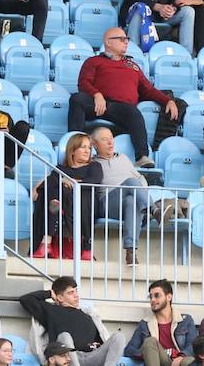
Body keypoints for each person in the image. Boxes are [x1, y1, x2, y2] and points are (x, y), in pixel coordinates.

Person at [68, 28, 180, 164]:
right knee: (77, 99)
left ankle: (142, 157)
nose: (126, 42)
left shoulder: (133, 66)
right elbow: (83, 83)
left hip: (121, 108)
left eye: (127, 39)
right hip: (97, 103)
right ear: (108, 42)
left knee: (134, 112)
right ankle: (74, 149)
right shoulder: (94, 61)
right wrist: (96, 94)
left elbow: (148, 90)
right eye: (121, 39)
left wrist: (168, 101)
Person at [21, 277, 128, 366]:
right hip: (69, 357)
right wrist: (49, 293)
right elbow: (26, 299)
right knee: (65, 336)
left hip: (93, 355)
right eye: (71, 293)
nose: (76, 295)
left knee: (118, 336)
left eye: (76, 291)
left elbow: (101, 340)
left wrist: (97, 345)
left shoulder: (88, 314)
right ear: (60, 297)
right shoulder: (51, 310)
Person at [30, 133, 102, 260]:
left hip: (85, 202)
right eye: (83, 147)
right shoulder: (60, 168)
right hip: (64, 201)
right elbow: (47, 183)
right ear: (73, 150)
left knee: (59, 189)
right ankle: (49, 236)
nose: (87, 151)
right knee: (53, 186)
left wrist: (71, 183)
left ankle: (46, 241)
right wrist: (60, 181)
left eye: (89, 148)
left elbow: (93, 181)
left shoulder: (94, 166)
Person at [88, 127, 150, 267]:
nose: (110, 143)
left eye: (111, 138)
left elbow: (140, 178)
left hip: (126, 202)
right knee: (131, 182)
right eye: (105, 139)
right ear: (94, 144)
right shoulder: (91, 163)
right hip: (107, 203)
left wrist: (143, 191)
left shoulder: (123, 158)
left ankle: (130, 251)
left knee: (131, 201)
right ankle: (152, 210)